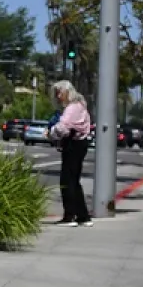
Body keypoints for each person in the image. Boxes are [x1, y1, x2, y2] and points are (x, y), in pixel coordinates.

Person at [49, 79, 93, 226]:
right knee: (74, 180)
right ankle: (83, 216)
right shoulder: (81, 106)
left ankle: (70, 216)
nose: (57, 96)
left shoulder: (72, 108)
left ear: (67, 92)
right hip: (81, 143)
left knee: (66, 181)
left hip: (73, 144)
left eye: (59, 93)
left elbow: (63, 126)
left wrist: (51, 132)